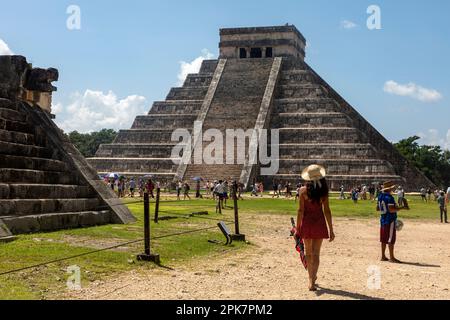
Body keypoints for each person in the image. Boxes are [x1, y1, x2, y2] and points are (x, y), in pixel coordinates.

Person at [296, 165, 335, 292]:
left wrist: (297, 227)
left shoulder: (303, 191)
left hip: (307, 223)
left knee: (308, 252)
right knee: (316, 253)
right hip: (319, 223)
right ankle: (313, 278)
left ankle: (310, 280)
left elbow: (300, 211)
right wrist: (331, 229)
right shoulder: (323, 192)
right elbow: (327, 211)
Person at [377, 181, 409, 263]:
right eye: (392, 188)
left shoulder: (380, 196)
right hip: (390, 220)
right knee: (391, 238)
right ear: (389, 189)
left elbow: (377, 208)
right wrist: (402, 208)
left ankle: (383, 256)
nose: (393, 189)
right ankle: (392, 258)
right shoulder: (389, 197)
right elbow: (391, 210)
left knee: (383, 239)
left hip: (383, 219)